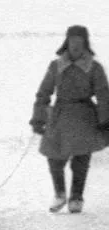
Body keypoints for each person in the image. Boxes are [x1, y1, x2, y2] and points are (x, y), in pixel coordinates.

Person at [30, 25, 109, 213]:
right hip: (60, 115)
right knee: (54, 156)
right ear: (67, 42)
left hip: (85, 117)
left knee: (81, 160)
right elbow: (43, 93)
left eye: (79, 41)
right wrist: (38, 118)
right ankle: (59, 194)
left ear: (85, 43)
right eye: (72, 41)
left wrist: (105, 121)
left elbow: (104, 96)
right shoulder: (56, 66)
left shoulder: (94, 68)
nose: (75, 46)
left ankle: (76, 198)